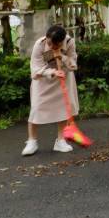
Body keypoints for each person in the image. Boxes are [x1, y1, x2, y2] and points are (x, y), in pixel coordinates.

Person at [23, 25, 81, 156]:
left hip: (64, 78)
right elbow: (36, 69)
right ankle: (31, 141)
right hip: (43, 79)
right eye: (50, 43)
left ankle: (60, 141)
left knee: (63, 109)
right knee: (36, 108)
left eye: (56, 45)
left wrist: (63, 57)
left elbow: (73, 63)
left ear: (62, 41)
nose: (51, 46)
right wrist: (53, 72)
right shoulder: (40, 44)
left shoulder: (70, 42)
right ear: (47, 38)